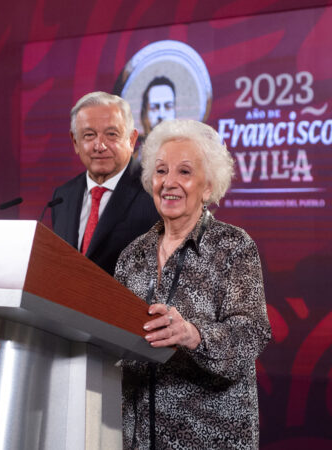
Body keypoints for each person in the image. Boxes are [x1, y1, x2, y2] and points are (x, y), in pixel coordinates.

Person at [115, 119, 271, 449]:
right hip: (138, 438)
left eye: (184, 172)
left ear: (208, 187)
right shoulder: (131, 256)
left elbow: (251, 334)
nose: (169, 182)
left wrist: (192, 334)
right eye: (161, 171)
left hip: (210, 438)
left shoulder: (233, 246)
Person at [51, 92, 159, 276]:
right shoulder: (62, 197)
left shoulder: (153, 191)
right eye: (89, 135)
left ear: (132, 140)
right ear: (75, 142)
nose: (99, 145)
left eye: (111, 134)